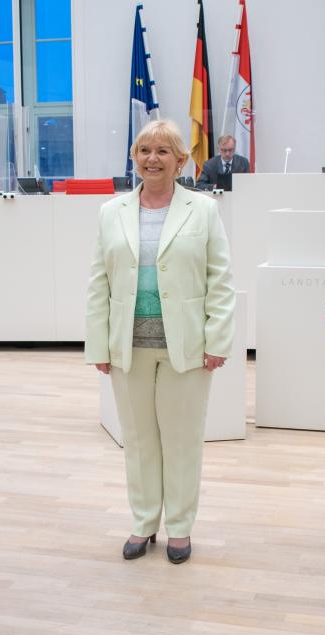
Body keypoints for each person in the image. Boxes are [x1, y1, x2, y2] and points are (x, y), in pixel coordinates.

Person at [86, 119, 235, 564]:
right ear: (135, 157)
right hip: (128, 346)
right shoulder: (110, 211)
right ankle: (143, 522)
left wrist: (217, 340)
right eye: (144, 150)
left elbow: (220, 280)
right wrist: (99, 346)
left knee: (182, 441)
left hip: (185, 347)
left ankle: (180, 528)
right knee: (138, 440)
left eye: (162, 151)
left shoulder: (203, 209)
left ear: (180, 160)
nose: (152, 159)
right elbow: (99, 283)